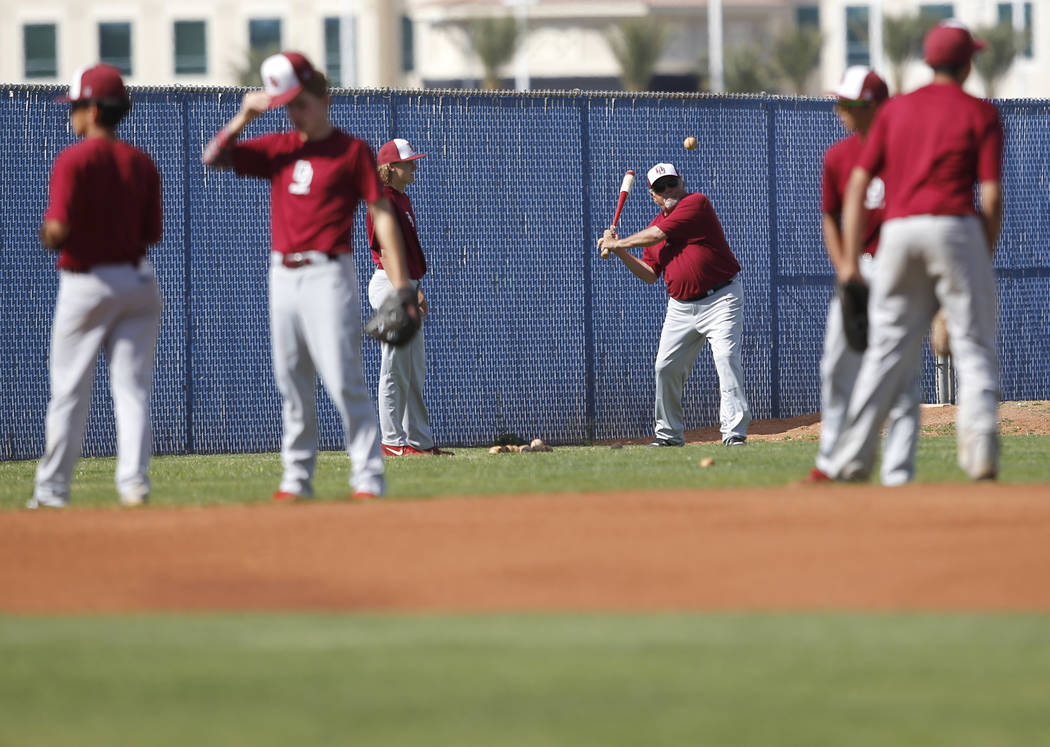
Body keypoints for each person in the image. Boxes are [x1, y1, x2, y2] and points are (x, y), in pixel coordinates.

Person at [201, 51, 418, 501]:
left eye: (301, 103)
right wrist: (244, 114)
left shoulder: (351, 151)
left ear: (322, 98)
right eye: (288, 106)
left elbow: (381, 216)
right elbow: (213, 157)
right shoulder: (280, 148)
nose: (295, 114)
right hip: (283, 274)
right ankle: (296, 479)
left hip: (329, 272)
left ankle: (368, 478)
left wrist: (401, 289)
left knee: (344, 377)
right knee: (292, 379)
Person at [824, 20, 1003, 482]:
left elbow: (860, 181)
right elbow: (991, 197)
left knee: (885, 352)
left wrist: (850, 262)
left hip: (899, 235)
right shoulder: (980, 113)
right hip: (955, 226)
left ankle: (852, 457)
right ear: (966, 65)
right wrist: (978, 258)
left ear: (928, 62)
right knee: (974, 347)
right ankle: (980, 454)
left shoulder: (896, 111)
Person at [30, 64, 164, 508]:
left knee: (70, 389)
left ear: (92, 109)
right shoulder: (142, 162)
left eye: (76, 107)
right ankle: (134, 484)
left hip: (88, 281)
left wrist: (47, 232)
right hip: (138, 281)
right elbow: (152, 234)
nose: (72, 116)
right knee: (132, 388)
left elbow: (58, 229)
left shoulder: (74, 158)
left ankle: (51, 490)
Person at [811, 67, 921, 486]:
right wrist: (845, 271)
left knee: (902, 375)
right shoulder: (838, 156)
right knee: (836, 365)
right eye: (838, 101)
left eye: (848, 103)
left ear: (874, 107)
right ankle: (830, 461)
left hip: (899, 270)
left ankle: (897, 473)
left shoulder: (907, 152)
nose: (838, 110)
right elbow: (830, 218)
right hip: (858, 271)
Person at [597, 163, 751, 447]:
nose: (667, 190)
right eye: (660, 187)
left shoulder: (696, 203)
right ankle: (668, 435)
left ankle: (734, 434)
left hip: (722, 299)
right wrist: (620, 252)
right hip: (681, 307)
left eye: (671, 183)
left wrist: (617, 244)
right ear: (652, 194)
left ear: (681, 182)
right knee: (665, 368)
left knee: (726, 359)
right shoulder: (653, 229)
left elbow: (657, 235)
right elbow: (650, 274)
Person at [366, 139, 452, 456]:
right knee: (394, 367)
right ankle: (391, 441)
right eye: (409, 162)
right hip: (390, 284)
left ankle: (419, 443)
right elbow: (387, 251)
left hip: (405, 283)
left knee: (414, 368)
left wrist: (417, 289)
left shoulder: (401, 198)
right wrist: (404, 290)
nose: (415, 166)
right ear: (391, 167)